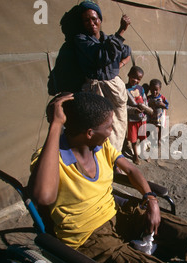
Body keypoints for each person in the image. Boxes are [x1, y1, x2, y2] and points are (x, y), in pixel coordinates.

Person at [28, 92, 187, 263]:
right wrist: (56, 125)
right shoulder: (50, 158)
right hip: (89, 239)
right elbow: (43, 196)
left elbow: (131, 169)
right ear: (89, 133)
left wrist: (151, 199)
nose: (112, 130)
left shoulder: (100, 146)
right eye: (108, 126)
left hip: (118, 215)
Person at [73, 1, 132, 152]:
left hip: (114, 88)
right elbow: (101, 57)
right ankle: (102, 162)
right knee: (100, 128)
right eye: (86, 20)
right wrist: (121, 32)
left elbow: (126, 52)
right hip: (97, 90)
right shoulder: (81, 40)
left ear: (100, 20)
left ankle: (115, 158)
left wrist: (120, 65)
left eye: (94, 19)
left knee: (118, 125)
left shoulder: (108, 40)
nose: (91, 23)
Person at [126, 66, 152, 165]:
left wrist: (146, 109)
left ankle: (143, 153)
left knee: (143, 137)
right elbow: (124, 106)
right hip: (132, 119)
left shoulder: (140, 88)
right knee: (133, 139)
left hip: (142, 118)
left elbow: (145, 101)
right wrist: (133, 110)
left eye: (139, 79)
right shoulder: (125, 89)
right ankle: (135, 155)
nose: (136, 80)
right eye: (134, 77)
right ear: (129, 75)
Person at [147, 79, 169, 147]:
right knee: (150, 128)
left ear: (160, 89)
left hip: (159, 117)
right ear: (150, 89)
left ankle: (159, 139)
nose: (154, 91)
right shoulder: (148, 98)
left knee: (159, 128)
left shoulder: (162, 97)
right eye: (152, 89)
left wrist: (163, 105)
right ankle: (149, 140)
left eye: (156, 90)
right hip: (151, 117)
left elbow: (167, 106)